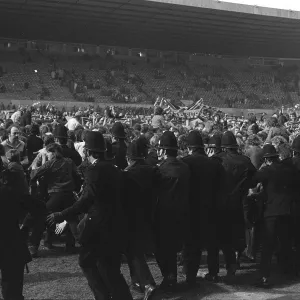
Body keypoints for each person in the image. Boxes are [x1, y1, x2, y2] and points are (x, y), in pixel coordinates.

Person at [47, 131, 133, 300]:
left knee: (87, 262)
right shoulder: (114, 169)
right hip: (116, 223)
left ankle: (103, 296)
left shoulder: (94, 171)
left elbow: (86, 201)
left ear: (87, 151)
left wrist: (61, 214)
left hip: (98, 225)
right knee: (109, 266)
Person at [181, 131, 226, 284]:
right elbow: (222, 188)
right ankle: (213, 272)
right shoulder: (215, 163)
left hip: (192, 208)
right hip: (212, 208)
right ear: (203, 147)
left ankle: (190, 276)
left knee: (192, 243)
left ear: (189, 147)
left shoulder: (185, 162)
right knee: (212, 243)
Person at [212, 131, 256, 279]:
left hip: (220, 203)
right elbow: (254, 179)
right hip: (238, 203)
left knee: (221, 237)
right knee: (237, 234)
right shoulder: (245, 160)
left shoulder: (217, 160)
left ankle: (220, 268)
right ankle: (234, 261)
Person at [251, 144, 297, 287]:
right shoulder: (288, 170)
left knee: (267, 246)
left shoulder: (266, 170)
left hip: (271, 212)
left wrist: (256, 195)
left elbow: (253, 182)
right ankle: (288, 271)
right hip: (286, 210)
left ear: (266, 159)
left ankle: (264, 276)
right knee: (285, 243)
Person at [154, 131, 190, 290]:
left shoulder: (160, 169)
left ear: (162, 150)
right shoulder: (185, 167)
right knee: (174, 247)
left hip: (164, 213)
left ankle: (169, 277)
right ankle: (172, 276)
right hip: (182, 212)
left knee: (162, 249)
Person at [123, 138, 158, 299]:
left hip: (131, 216)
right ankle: (137, 282)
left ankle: (147, 282)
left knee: (133, 251)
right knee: (134, 251)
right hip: (150, 213)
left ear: (129, 157)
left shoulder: (127, 173)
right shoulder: (153, 170)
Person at [30, 143, 81, 253]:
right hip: (69, 195)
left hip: (55, 195)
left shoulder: (50, 163)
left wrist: (36, 164)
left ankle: (34, 246)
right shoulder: (69, 161)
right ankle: (71, 245)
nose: (47, 155)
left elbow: (34, 174)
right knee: (71, 219)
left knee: (41, 217)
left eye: (48, 153)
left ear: (53, 152)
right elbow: (77, 176)